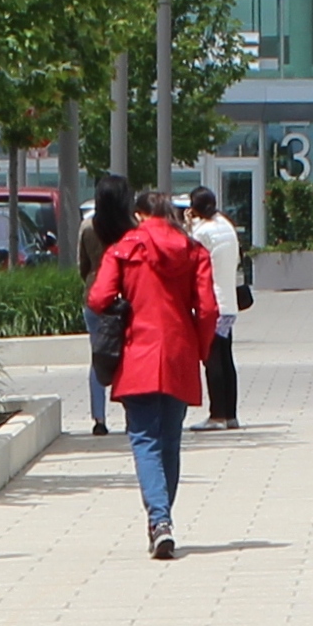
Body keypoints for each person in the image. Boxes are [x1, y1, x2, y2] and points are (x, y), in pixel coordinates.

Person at [85, 182, 217, 561]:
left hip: (137, 352)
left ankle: (160, 522)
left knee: (144, 440)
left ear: (141, 215)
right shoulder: (194, 251)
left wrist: (124, 305)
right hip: (178, 352)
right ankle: (163, 519)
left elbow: (98, 298)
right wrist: (202, 348)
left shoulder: (124, 249)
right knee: (169, 441)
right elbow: (207, 309)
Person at [180, 184, 247, 429]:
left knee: (212, 358)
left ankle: (216, 414)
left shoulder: (203, 232)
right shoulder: (226, 225)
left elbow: (190, 256)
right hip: (229, 302)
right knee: (226, 357)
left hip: (212, 303)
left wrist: (189, 226)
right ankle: (230, 414)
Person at [73, 176, 136, 435]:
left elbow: (82, 265)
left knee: (98, 355)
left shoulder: (88, 227)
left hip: (96, 297)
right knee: (129, 355)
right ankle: (131, 413)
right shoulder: (132, 228)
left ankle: (99, 419)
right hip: (127, 296)